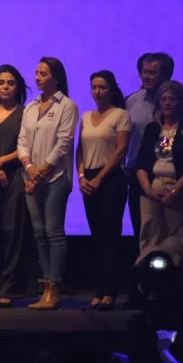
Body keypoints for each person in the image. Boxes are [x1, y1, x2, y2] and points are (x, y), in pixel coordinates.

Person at [18, 57, 79, 311]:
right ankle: (45, 286)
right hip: (31, 177)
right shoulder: (30, 107)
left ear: (56, 77)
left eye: (43, 73)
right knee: (39, 233)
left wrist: (40, 173)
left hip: (55, 178)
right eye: (36, 73)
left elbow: (63, 143)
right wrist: (30, 169)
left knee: (54, 232)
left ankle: (55, 287)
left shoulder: (67, 106)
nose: (37, 78)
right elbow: (22, 141)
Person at [76, 71, 130, 311]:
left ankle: (110, 291)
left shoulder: (120, 115)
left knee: (110, 235)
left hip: (111, 179)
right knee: (97, 236)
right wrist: (81, 176)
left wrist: (99, 177)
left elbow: (121, 150)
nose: (97, 92)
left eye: (102, 87)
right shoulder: (86, 117)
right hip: (89, 177)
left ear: (111, 89)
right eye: (94, 87)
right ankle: (98, 291)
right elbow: (80, 150)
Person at [0, 65, 33, 308]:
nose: (5, 87)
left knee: (11, 232)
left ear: (18, 86)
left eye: (10, 83)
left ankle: (8, 288)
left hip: (15, 176)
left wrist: (1, 162)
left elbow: (26, 147)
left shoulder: (26, 113)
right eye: (1, 82)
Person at [134, 80, 183, 262]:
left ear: (180, 102)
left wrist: (175, 191)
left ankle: (176, 274)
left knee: (177, 240)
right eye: (163, 99)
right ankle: (147, 274)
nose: (167, 103)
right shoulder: (152, 128)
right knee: (150, 236)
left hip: (177, 189)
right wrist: (148, 190)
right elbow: (141, 164)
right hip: (152, 189)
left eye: (172, 99)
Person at [125, 53, 174, 243]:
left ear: (165, 76)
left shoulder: (176, 101)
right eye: (144, 72)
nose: (146, 77)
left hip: (168, 174)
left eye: (152, 73)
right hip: (137, 172)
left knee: (168, 231)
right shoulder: (132, 101)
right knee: (141, 228)